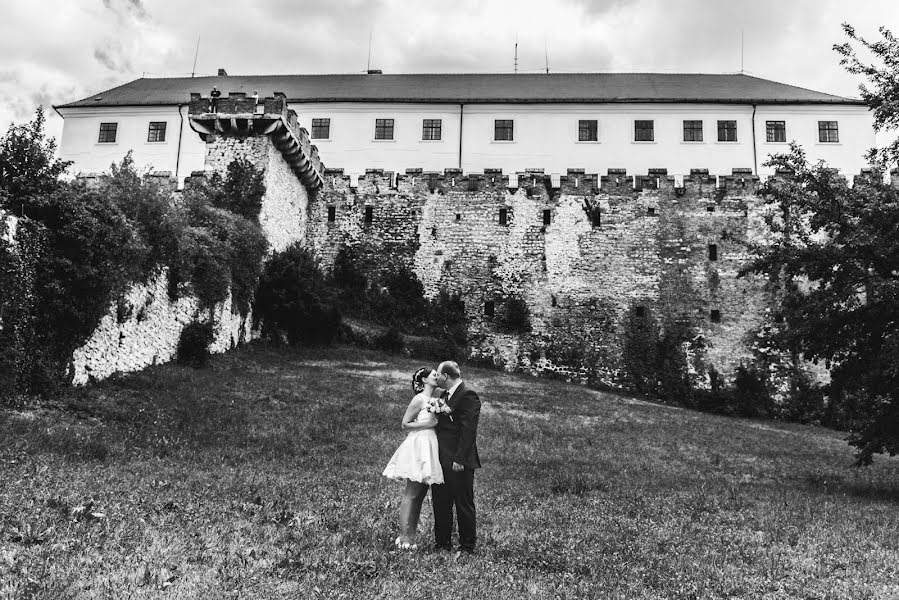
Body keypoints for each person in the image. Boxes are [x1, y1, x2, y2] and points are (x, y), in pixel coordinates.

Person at [382, 368, 444, 549]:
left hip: (431, 445)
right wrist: (428, 423)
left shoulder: (437, 399)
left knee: (420, 495)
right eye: (433, 374)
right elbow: (405, 424)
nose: (437, 376)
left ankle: (411, 536)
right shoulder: (418, 399)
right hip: (420, 445)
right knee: (412, 493)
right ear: (425, 380)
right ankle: (404, 538)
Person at [432, 360, 481, 556]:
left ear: (445, 376)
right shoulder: (444, 396)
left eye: (438, 374)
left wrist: (459, 459)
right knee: (441, 500)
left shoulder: (468, 395)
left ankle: (467, 546)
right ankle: (442, 543)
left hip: (458, 460)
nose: (436, 378)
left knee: (463, 502)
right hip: (441, 458)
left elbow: (469, 430)